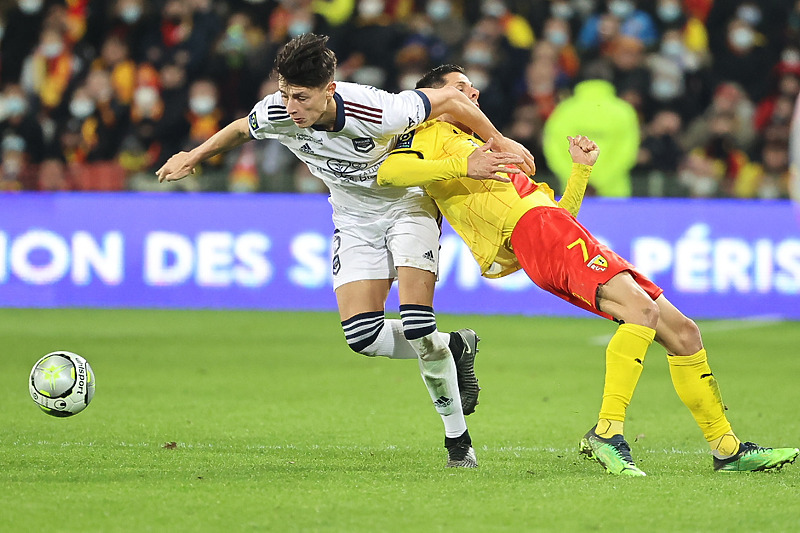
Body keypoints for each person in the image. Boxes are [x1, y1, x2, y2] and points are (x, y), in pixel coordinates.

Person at [377, 64, 799, 476]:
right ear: (436, 97)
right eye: (459, 87)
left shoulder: (486, 146)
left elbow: (556, 213)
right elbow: (390, 171)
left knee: (684, 332)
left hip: (556, 228)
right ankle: (607, 432)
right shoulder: (430, 133)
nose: (473, 94)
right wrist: (463, 166)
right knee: (642, 313)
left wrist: (580, 170)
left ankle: (726, 449)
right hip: (535, 233)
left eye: (472, 88)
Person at [156, 34, 535, 468]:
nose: (290, 106)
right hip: (353, 220)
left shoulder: (378, 109)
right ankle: (456, 345)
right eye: (284, 93)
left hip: (408, 204)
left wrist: (500, 141)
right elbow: (243, 127)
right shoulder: (277, 112)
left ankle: (458, 444)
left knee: (415, 324)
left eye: (301, 97)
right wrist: (195, 155)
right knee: (362, 337)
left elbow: (450, 99)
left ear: (330, 90)